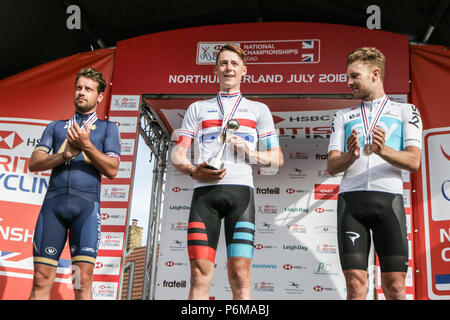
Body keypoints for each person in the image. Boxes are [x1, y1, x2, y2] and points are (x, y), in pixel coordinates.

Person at [171, 43, 284, 300]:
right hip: (204, 196)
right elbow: (178, 152)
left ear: (244, 70)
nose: (229, 68)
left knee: (241, 277)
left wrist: (250, 154)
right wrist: (191, 170)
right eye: (223, 63)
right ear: (215, 70)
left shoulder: (259, 110)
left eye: (234, 63)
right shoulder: (197, 109)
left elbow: (277, 158)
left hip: (241, 196)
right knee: (199, 276)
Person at [327, 47, 422, 300]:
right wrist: (351, 156)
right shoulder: (343, 116)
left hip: (388, 201)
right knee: (356, 287)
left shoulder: (406, 111)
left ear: (375, 74)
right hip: (351, 203)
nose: (349, 82)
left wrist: (383, 150)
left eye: (354, 76)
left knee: (395, 287)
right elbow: (331, 166)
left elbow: (413, 161)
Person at [28, 68, 121, 300]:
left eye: (88, 89)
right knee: (41, 279)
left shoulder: (109, 128)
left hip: (86, 212)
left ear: (99, 97)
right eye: (79, 87)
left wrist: (87, 145)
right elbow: (34, 163)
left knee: (81, 283)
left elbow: (112, 169)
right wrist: (65, 155)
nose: (82, 92)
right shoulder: (56, 127)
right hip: (53, 209)